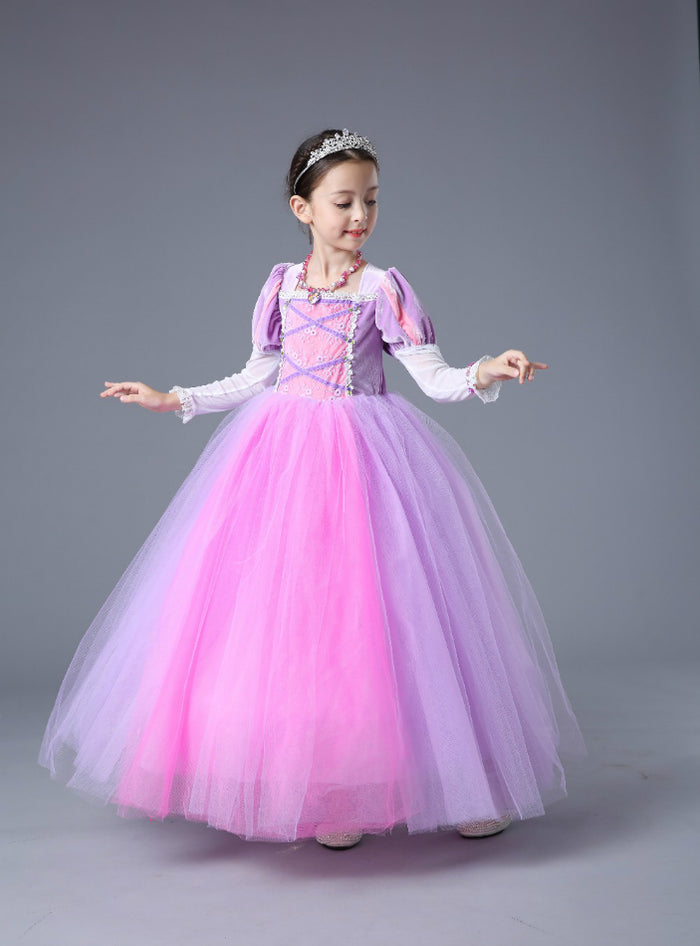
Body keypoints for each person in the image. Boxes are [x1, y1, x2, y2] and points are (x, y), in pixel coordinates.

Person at [38, 128, 586, 851]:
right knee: (303, 626)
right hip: (282, 468)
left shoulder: (382, 288)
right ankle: (333, 786)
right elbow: (257, 373)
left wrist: (486, 369)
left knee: (394, 622)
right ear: (303, 209)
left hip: (367, 467)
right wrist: (176, 398)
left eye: (371, 201)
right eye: (343, 202)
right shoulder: (281, 286)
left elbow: (435, 378)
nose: (360, 216)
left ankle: (461, 781)